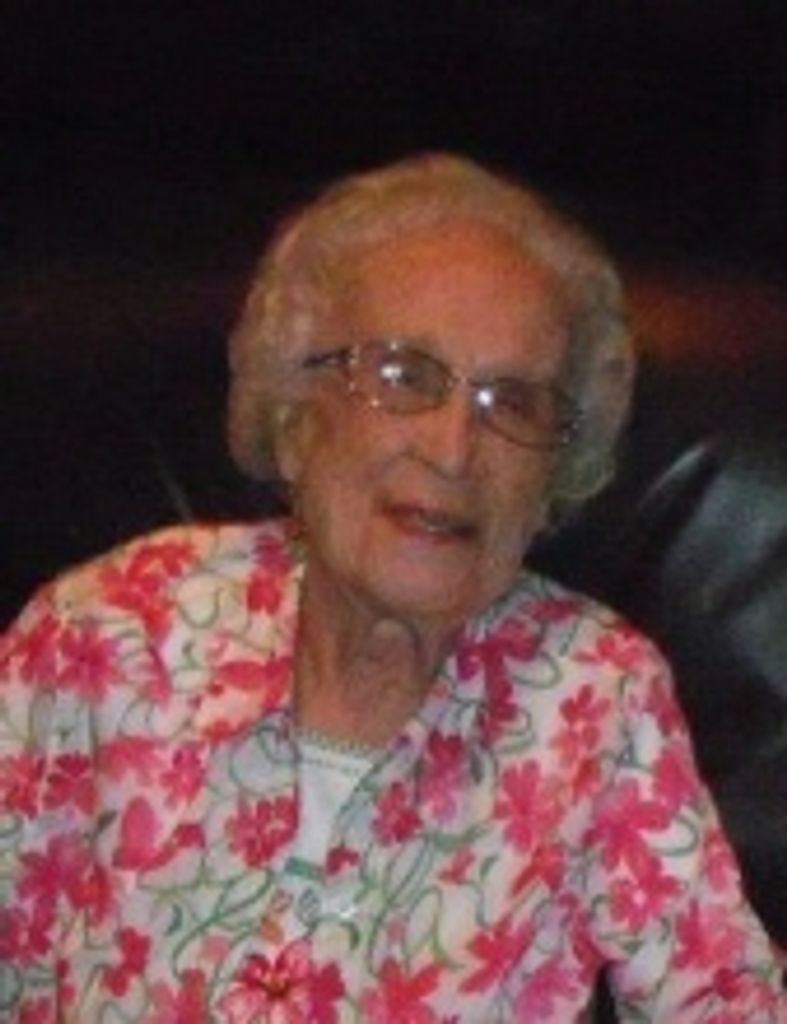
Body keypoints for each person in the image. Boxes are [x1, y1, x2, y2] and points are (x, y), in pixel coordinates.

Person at [0, 153, 784, 1023]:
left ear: (548, 484)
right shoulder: (107, 632)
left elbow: (728, 1003)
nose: (452, 450)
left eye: (510, 403)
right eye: (403, 376)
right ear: (295, 419)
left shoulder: (594, 697)